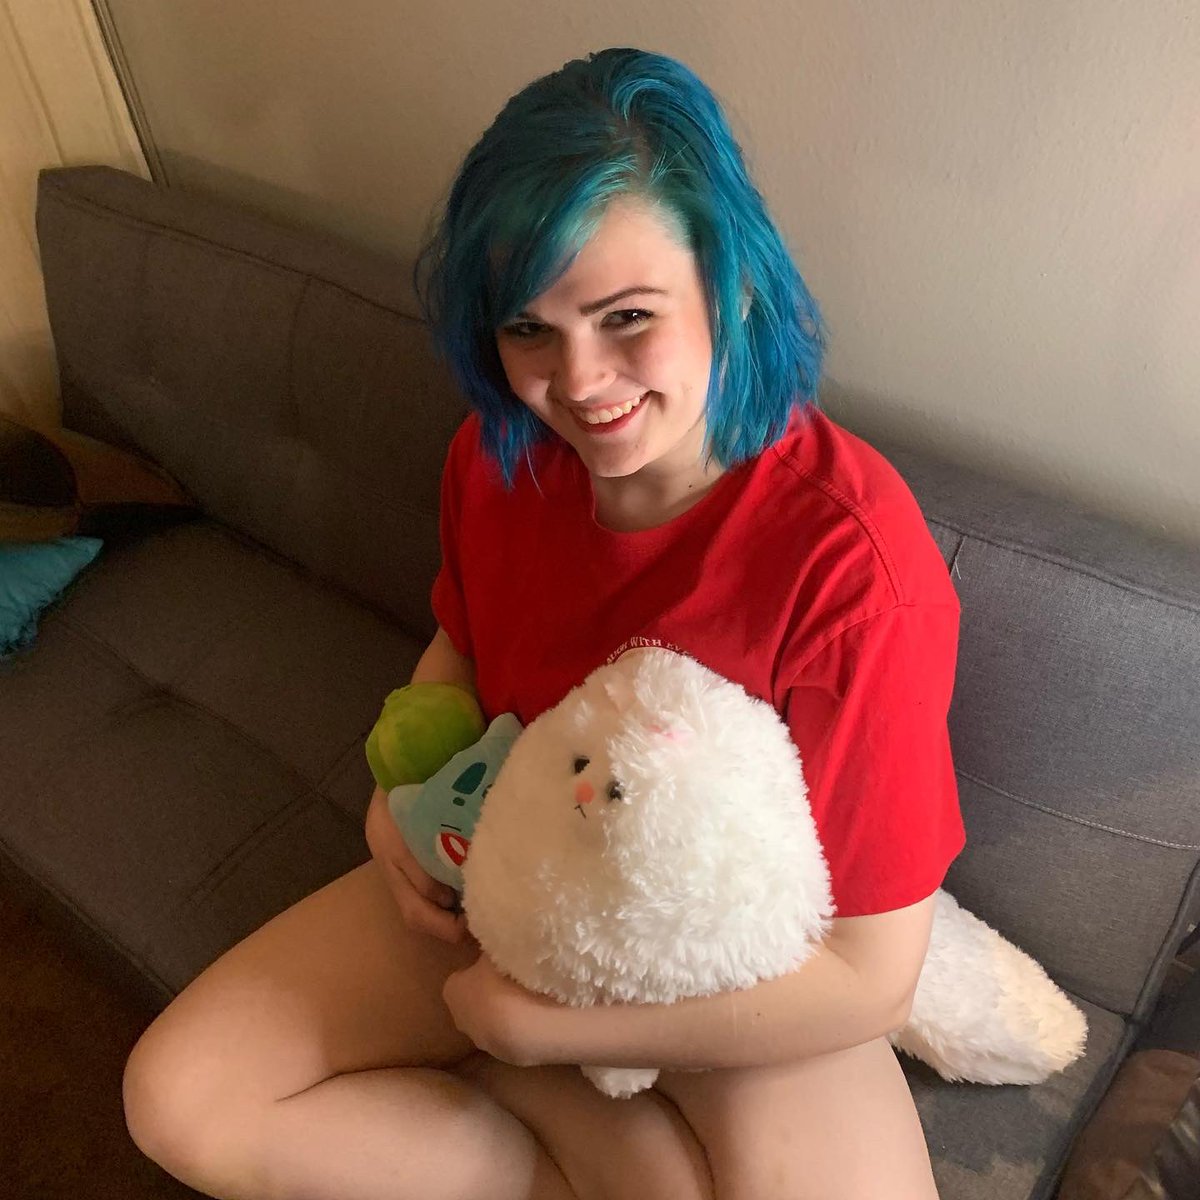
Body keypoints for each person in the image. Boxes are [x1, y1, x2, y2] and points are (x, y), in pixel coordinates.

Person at [122, 47, 964, 1200]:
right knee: (180, 1102)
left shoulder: (854, 567)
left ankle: (537, 1096)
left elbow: (868, 977)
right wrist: (393, 799)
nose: (579, 384)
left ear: (733, 286)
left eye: (628, 318)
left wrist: (546, 1034)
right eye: (530, 330)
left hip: (735, 961)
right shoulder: (498, 459)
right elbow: (461, 653)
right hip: (514, 876)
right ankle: (545, 1151)